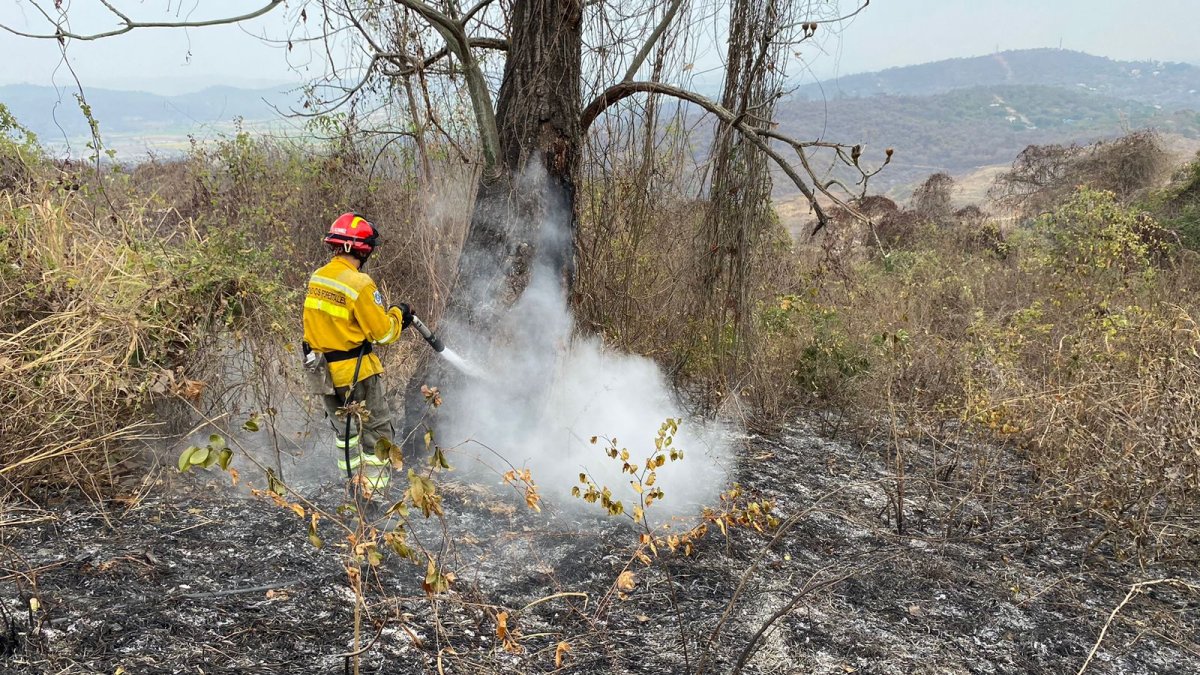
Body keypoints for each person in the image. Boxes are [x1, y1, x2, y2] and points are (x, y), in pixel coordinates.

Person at [302, 212, 413, 491]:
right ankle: (373, 495)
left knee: (346, 433)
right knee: (376, 434)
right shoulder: (359, 284)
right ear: (363, 250)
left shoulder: (318, 278)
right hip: (355, 373)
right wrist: (399, 314)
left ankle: (352, 489)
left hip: (321, 373)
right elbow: (383, 334)